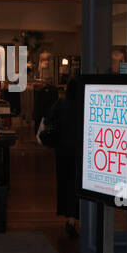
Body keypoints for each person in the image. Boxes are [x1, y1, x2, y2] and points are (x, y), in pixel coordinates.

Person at [44, 76, 82, 238]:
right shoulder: (85, 106)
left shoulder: (61, 104)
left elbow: (47, 120)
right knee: (78, 186)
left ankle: (69, 218)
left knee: (65, 184)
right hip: (80, 153)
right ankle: (76, 219)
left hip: (62, 151)